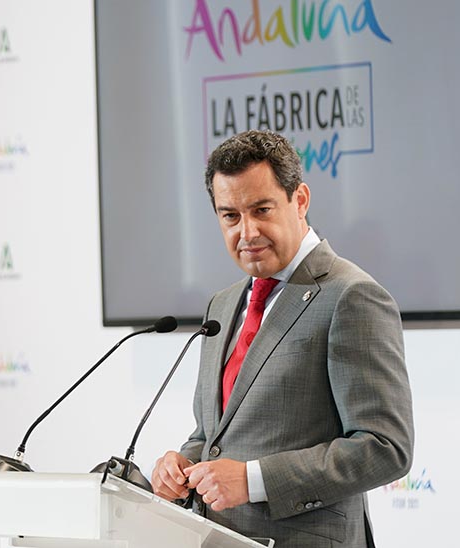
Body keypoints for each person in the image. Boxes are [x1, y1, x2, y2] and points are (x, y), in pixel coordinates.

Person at [150, 130, 413, 547]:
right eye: (230, 216)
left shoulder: (352, 295)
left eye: (262, 209)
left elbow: (385, 448)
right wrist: (184, 464)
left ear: (300, 200)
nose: (247, 232)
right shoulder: (222, 305)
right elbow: (213, 436)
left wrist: (253, 480)